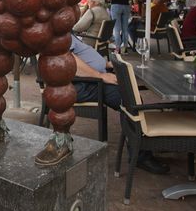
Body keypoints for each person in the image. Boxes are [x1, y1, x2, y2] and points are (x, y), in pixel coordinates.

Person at [69, 34, 169, 174]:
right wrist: (100, 75)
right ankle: (140, 155)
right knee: (128, 98)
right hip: (82, 84)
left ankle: (146, 142)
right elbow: (69, 60)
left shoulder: (67, 32)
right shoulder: (58, 34)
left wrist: (107, 64)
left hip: (91, 78)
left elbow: (83, 55)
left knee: (130, 92)